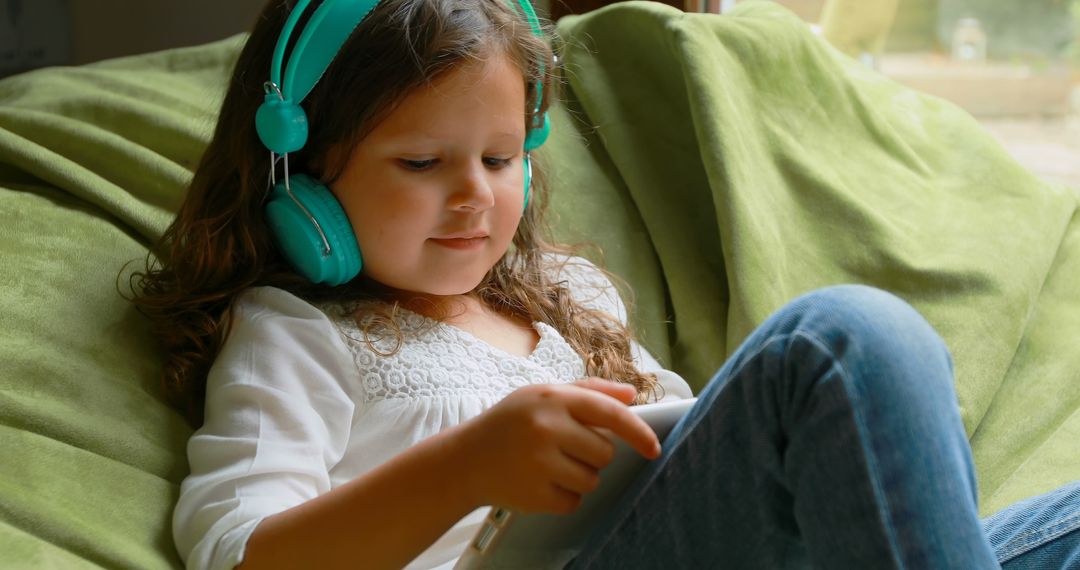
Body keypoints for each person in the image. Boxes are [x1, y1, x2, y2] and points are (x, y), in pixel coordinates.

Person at [129, 0, 1080, 568]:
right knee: (842, 343)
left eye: (501, 158)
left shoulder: (572, 296)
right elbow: (239, 554)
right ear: (303, 179)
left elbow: (711, 461)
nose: (474, 197)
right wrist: (468, 467)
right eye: (421, 163)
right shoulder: (296, 334)